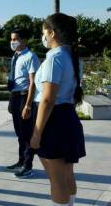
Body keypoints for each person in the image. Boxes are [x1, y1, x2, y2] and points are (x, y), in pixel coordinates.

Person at [30, 13, 86, 206]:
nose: (43, 37)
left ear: (52, 33)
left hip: (53, 121)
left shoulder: (55, 57)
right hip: (67, 116)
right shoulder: (72, 56)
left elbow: (48, 99)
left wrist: (37, 133)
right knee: (67, 174)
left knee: (56, 179)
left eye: (44, 32)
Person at [6, 29, 40, 178]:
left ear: (24, 40)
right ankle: (21, 161)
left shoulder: (30, 56)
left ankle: (28, 165)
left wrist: (28, 105)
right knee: (19, 133)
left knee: (26, 133)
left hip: (24, 96)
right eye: (11, 39)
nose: (13, 42)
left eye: (16, 39)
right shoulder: (15, 56)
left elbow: (33, 83)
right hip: (15, 96)